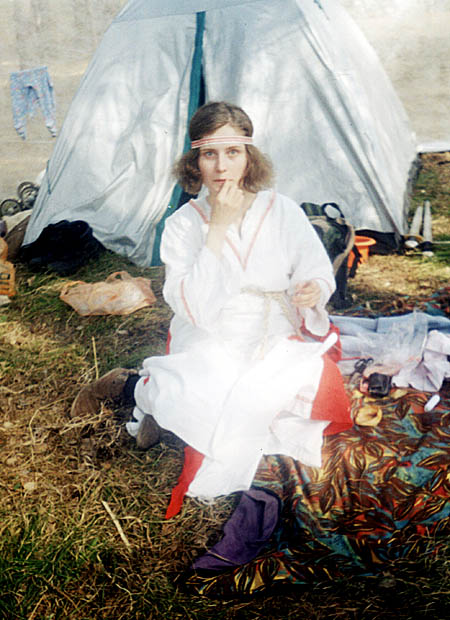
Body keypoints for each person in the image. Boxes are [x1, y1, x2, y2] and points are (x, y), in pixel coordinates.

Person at [71, 101, 352, 501]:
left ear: (248, 157)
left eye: (232, 152)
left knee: (308, 384)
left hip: (275, 329)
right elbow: (197, 309)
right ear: (195, 163)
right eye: (209, 154)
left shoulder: (282, 210)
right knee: (213, 386)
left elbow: (316, 268)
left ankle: (168, 416)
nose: (221, 167)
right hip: (211, 332)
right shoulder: (182, 225)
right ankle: (133, 388)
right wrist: (217, 229)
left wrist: (314, 288)